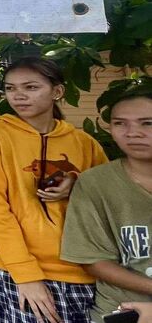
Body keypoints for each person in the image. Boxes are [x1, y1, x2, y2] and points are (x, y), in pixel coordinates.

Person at [0, 57, 108, 323]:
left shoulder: (84, 143)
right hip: (15, 268)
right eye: (10, 88)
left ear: (57, 92)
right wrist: (26, 275)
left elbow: (108, 197)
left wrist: (75, 184)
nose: (19, 96)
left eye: (31, 87)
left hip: (81, 267)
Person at [61, 87, 152, 322]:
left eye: (147, 123)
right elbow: (93, 260)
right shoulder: (95, 183)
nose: (133, 133)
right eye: (120, 123)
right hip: (122, 310)